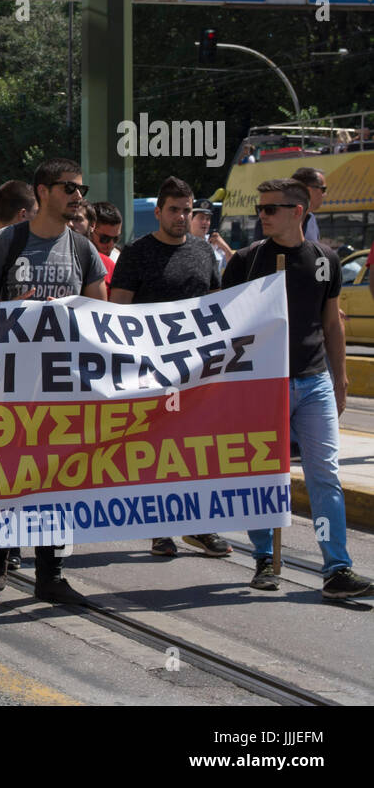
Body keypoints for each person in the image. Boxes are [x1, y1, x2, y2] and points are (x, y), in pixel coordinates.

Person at [0, 158, 107, 604]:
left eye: (80, 188)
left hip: (62, 382)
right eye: (68, 188)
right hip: (11, 380)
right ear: (42, 191)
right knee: (10, 472)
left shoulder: (82, 248)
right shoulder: (9, 240)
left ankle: (51, 573)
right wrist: (9, 309)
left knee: (56, 477)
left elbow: (100, 311)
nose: (78, 196)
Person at [221, 179, 373, 599]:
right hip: (262, 385)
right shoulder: (247, 261)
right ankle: (264, 559)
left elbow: (331, 324)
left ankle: (337, 568)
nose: (262, 215)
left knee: (325, 475)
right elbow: (220, 324)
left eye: (271, 208)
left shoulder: (325, 260)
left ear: (297, 212)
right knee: (263, 475)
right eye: (260, 208)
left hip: (313, 381)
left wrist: (340, 378)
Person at [109, 176, 232, 560]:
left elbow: (216, 306)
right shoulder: (137, 253)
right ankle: (159, 529)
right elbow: (118, 312)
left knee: (196, 448)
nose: (181, 217)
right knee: (161, 448)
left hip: (196, 371)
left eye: (187, 209)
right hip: (153, 371)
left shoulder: (203, 252)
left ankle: (198, 526)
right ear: (159, 212)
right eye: (174, 210)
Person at [189, 199, 231, 271]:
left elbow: (234, 267)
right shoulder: (183, 241)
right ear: (190, 219)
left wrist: (225, 248)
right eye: (201, 218)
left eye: (208, 219)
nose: (205, 222)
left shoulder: (215, 243)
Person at [291, 167, 326, 243]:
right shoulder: (273, 216)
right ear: (308, 190)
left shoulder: (311, 219)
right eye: (323, 189)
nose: (325, 194)